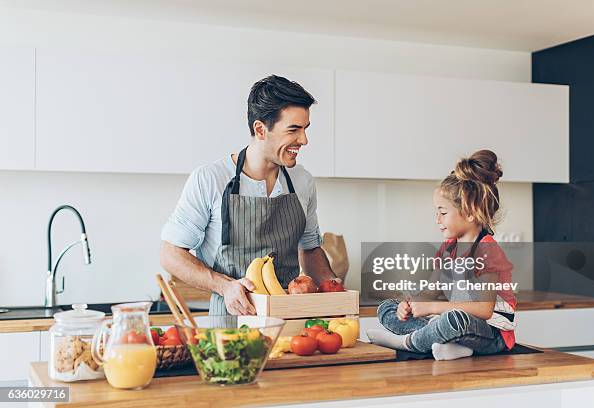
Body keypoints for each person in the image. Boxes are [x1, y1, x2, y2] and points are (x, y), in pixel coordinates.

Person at [160, 75, 337, 316]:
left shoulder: (302, 180)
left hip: (290, 322)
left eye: (305, 129)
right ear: (260, 129)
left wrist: (333, 289)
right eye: (293, 130)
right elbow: (171, 254)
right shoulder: (210, 179)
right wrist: (224, 286)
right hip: (232, 323)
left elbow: (310, 248)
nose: (304, 140)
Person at [367, 150, 517, 360]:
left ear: (471, 212)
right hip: (451, 324)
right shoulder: (448, 249)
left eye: (443, 213)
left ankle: (409, 342)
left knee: (454, 320)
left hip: (490, 333)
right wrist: (410, 304)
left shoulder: (486, 250)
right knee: (387, 308)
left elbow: (484, 310)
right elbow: (430, 291)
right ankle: (448, 345)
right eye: (436, 212)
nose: (437, 219)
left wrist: (433, 307)